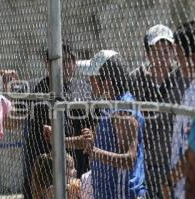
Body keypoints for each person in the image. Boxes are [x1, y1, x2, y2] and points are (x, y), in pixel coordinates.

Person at [23, 43, 94, 199]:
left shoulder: (85, 89)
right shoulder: (37, 88)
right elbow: (13, 122)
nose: (66, 65)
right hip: (45, 168)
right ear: (47, 63)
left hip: (76, 166)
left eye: (70, 60)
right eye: (60, 60)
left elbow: (91, 131)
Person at [80, 50, 146, 198]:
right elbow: (93, 144)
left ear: (107, 82)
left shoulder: (122, 110)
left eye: (93, 77)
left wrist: (94, 152)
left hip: (121, 193)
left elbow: (128, 159)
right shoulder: (111, 106)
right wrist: (59, 139)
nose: (89, 80)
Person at [129, 24, 185, 198]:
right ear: (147, 54)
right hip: (145, 164)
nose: (163, 56)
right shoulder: (135, 79)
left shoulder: (182, 78)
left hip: (176, 163)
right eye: (156, 50)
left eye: (167, 49)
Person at [166, 20, 195, 199]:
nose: (177, 61)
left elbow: (192, 152)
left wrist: (170, 181)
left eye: (179, 55)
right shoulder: (190, 87)